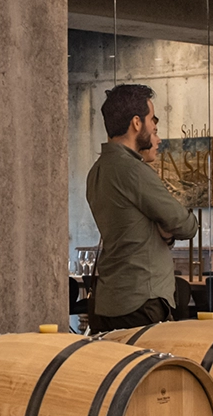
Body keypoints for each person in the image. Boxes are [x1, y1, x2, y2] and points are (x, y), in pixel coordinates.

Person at [84, 84, 197, 331]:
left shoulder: (97, 171)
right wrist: (169, 228)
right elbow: (186, 225)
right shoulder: (133, 170)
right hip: (140, 300)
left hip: (108, 299)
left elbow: (129, 226)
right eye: (151, 119)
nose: (154, 126)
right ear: (137, 123)